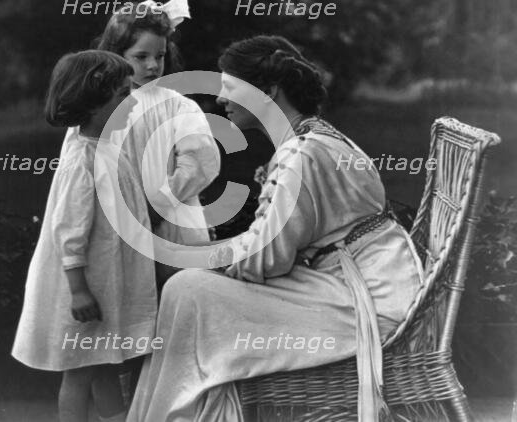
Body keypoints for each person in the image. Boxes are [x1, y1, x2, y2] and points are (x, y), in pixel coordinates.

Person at [126, 35, 424, 422]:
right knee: (192, 289)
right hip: (361, 278)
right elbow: (274, 244)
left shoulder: (302, 154)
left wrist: (208, 259)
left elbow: (265, 258)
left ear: (268, 91)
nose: (220, 100)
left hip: (368, 300)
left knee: (189, 289)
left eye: (230, 88)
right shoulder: (315, 138)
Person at [11, 50, 157, 422]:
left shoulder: (107, 147)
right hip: (87, 285)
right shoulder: (82, 159)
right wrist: (77, 289)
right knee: (79, 373)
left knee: (105, 362)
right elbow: (69, 229)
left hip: (109, 280)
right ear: (94, 102)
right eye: (122, 95)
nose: (131, 101)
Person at [62, 0, 220, 258]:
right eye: (141, 56)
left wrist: (157, 207)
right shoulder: (98, 108)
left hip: (171, 220)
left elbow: (200, 161)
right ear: (116, 55)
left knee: (175, 286)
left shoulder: (178, 107)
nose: (152, 65)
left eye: (159, 56)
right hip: (116, 221)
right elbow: (78, 161)